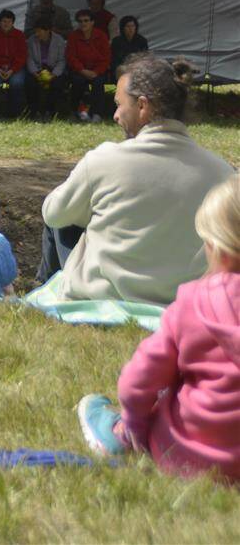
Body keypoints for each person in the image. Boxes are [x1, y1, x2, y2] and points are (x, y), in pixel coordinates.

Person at [75, 175, 240, 483]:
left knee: (163, 398)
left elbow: (139, 380)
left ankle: (118, 434)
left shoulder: (193, 303)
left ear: (221, 249)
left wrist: (135, 424)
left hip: (187, 453)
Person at [38, 56, 236, 305]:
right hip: (183, 301)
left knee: (63, 215)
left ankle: (45, 294)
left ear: (142, 106)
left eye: (119, 104)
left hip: (103, 296)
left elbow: (53, 215)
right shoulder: (223, 173)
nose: (115, 115)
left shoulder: (104, 160)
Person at [66, 8, 111, 121]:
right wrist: (82, 70)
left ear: (92, 22)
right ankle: (75, 111)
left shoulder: (101, 36)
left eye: (86, 20)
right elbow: (71, 57)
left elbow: (106, 58)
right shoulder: (73, 36)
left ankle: (97, 113)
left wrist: (96, 72)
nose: (83, 23)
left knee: (98, 83)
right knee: (78, 82)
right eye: (80, 21)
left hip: (97, 70)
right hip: (79, 70)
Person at [25, 16, 67, 121]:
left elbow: (62, 60)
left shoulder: (59, 40)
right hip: (37, 69)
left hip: (53, 69)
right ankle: (34, 112)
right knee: (30, 83)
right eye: (36, 31)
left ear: (48, 30)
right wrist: (35, 72)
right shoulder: (31, 40)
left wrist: (54, 74)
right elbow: (29, 58)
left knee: (58, 84)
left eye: (40, 31)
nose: (37, 34)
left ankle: (51, 111)